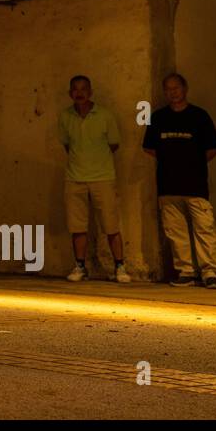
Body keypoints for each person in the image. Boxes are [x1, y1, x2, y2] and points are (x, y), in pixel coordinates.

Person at [143, 72, 216, 288]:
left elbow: (213, 148)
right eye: (168, 89)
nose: (172, 92)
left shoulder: (200, 116)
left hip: (195, 184)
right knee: (175, 231)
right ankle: (186, 271)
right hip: (168, 185)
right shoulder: (158, 118)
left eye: (176, 88)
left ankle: (209, 272)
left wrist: (192, 163)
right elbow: (149, 148)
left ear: (185, 89)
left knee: (204, 228)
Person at [58, 75, 129, 283]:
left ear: (91, 92)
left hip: (103, 177)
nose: (79, 92)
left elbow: (114, 144)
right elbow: (67, 145)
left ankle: (120, 267)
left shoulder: (105, 115)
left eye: (83, 89)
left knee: (111, 224)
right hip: (74, 178)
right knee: (77, 226)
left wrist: (97, 161)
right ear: (70, 93)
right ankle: (80, 266)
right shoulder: (64, 116)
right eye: (75, 89)